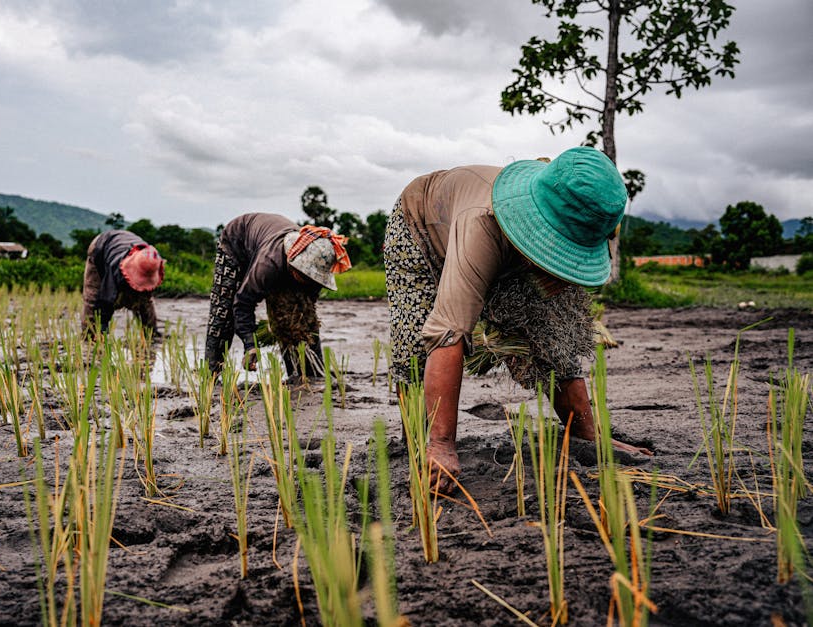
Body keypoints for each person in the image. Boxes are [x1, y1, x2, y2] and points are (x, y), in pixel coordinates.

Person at [383, 147, 653, 492]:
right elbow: (446, 333)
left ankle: (585, 432)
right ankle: (423, 443)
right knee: (415, 341)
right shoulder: (480, 225)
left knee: (549, 329)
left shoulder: (590, 211)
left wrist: (592, 438)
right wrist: (442, 445)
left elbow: (553, 340)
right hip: (420, 225)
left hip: (502, 240)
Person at [204, 213, 351, 377]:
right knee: (223, 312)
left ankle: (305, 374)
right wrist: (250, 344)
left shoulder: (314, 277)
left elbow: (307, 317)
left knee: (292, 318)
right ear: (294, 264)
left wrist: (283, 325)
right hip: (236, 243)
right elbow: (243, 302)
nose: (307, 281)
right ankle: (211, 374)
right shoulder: (268, 264)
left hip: (269, 245)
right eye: (305, 276)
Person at [81, 229, 165, 337]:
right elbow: (106, 299)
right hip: (101, 246)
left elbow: (146, 300)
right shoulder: (116, 268)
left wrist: (150, 332)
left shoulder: (151, 261)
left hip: (126, 245)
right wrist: (102, 330)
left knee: (144, 300)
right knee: (93, 296)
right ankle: (90, 335)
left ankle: (151, 333)